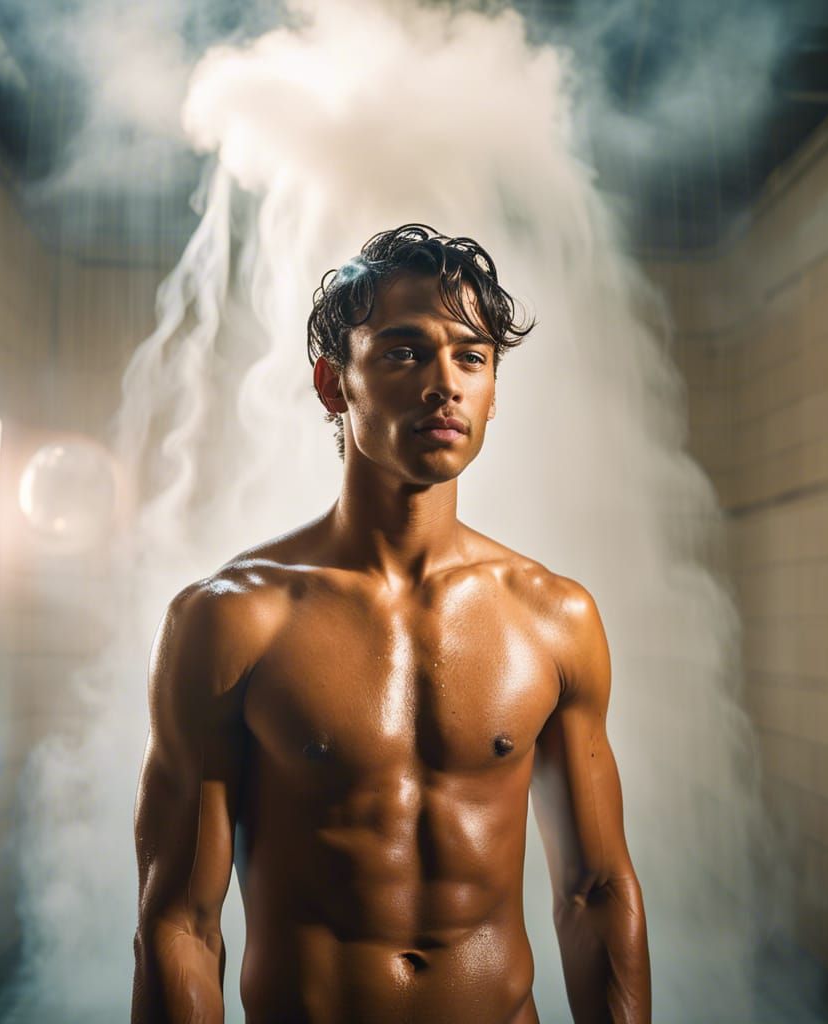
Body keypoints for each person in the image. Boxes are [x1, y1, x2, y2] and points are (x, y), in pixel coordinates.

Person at [131, 224, 651, 1023]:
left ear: (493, 390)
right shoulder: (231, 621)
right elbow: (181, 923)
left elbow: (596, 891)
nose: (445, 383)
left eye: (471, 357)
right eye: (405, 352)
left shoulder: (554, 616)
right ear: (334, 384)